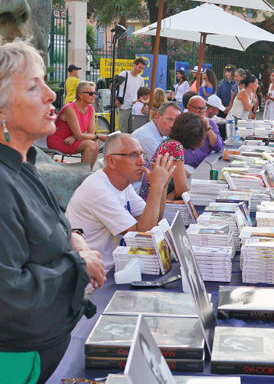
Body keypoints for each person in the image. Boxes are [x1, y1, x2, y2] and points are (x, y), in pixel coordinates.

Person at [0, 38, 105, 383]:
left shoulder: (20, 166)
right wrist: (79, 266)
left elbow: (52, 224)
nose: (51, 95)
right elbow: (3, 299)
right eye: (34, 87)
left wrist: (76, 240)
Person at [66, 133, 175, 273]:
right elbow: (142, 235)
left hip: (118, 268)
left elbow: (154, 219)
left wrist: (163, 186)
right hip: (98, 281)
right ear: (111, 161)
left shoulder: (123, 183)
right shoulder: (98, 191)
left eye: (142, 154)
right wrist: (156, 187)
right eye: (133, 155)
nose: (142, 161)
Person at [139, 113, 205, 201]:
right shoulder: (175, 146)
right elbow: (182, 191)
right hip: (153, 201)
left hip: (149, 197)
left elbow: (182, 172)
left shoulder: (168, 141)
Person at [47, 81, 106, 169]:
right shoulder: (70, 109)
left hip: (72, 139)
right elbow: (85, 136)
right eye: (90, 93)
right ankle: (82, 175)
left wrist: (75, 137)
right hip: (58, 140)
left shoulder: (90, 108)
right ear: (80, 95)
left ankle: (88, 173)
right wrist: (99, 136)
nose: (94, 96)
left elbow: (91, 133)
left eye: (94, 93)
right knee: (90, 144)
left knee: (96, 144)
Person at [184, 95, 224, 170]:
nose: (201, 111)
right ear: (189, 107)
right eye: (198, 108)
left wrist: (208, 128)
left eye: (203, 108)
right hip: (186, 165)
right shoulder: (181, 122)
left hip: (205, 165)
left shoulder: (211, 123)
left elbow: (218, 147)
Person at [115, 57, 146, 133]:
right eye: (139, 67)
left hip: (135, 108)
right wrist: (115, 99)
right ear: (134, 65)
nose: (140, 70)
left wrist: (138, 101)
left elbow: (141, 93)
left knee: (133, 131)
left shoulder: (141, 79)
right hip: (124, 106)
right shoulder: (124, 74)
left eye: (142, 68)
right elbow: (113, 86)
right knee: (123, 130)